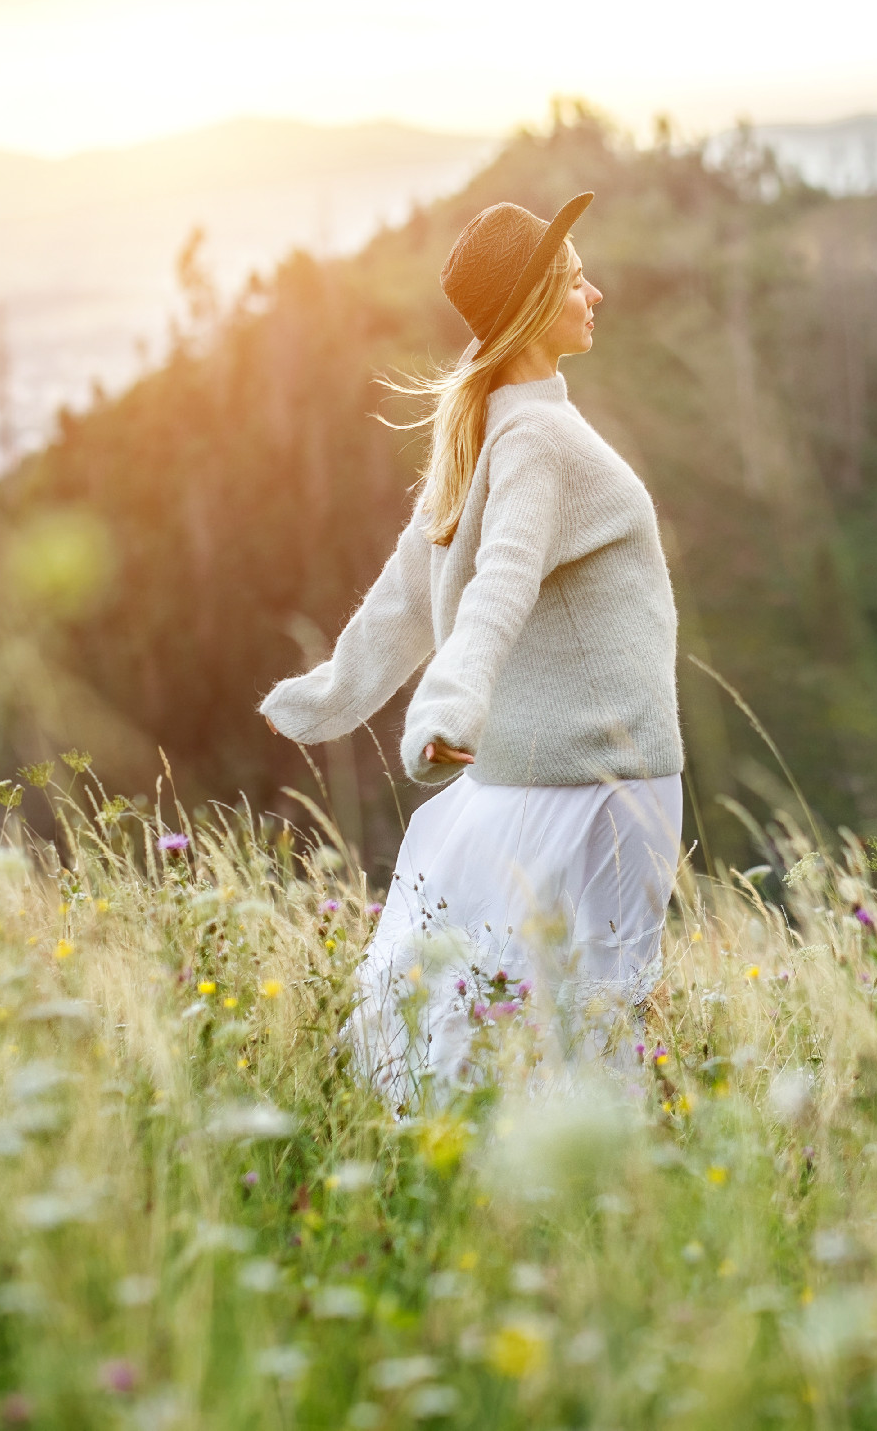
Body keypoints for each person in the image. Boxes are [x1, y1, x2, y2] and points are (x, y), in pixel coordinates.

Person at [258, 192, 684, 1110]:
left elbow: (410, 592)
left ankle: (487, 1195)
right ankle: (593, 1216)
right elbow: (495, 584)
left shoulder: (494, 427)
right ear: (535, 308)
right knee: (592, 1031)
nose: (595, 293)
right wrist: (446, 708)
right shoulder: (538, 438)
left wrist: (330, 695)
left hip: (552, 781)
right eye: (576, 281)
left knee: (514, 1019)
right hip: (607, 785)